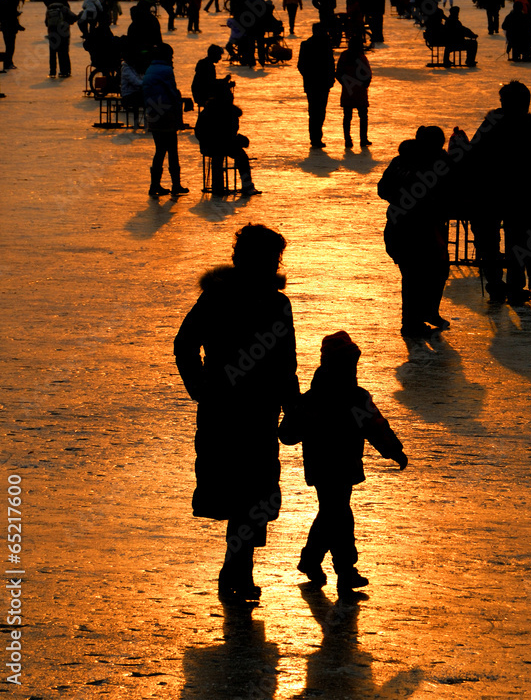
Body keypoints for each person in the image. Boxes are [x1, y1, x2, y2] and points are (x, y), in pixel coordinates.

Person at [174, 224, 299, 602]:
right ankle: (237, 569)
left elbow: (284, 362)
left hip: (241, 409)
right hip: (239, 409)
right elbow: (185, 344)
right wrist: (201, 388)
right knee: (246, 492)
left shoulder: (234, 298)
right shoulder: (243, 299)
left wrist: (202, 387)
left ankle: (238, 568)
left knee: (248, 493)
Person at [278, 331, 406, 599]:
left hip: (331, 467)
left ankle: (313, 560)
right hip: (332, 467)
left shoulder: (325, 398)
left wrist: (393, 449)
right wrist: (393, 449)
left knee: (331, 513)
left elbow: (374, 426)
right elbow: (289, 433)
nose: (351, 368)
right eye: (348, 363)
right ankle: (345, 570)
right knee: (338, 515)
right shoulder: (343, 398)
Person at [467, 81, 531, 303]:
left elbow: (471, 156)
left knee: (492, 241)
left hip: (492, 194)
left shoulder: (491, 126)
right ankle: (511, 285)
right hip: (516, 195)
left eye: (503, 100)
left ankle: (499, 283)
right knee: (515, 241)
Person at [378, 126, 455, 336]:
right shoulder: (435, 163)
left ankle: (424, 315)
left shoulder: (401, 161)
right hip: (419, 230)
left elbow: (383, 188)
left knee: (426, 274)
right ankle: (412, 324)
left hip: (402, 226)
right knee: (418, 276)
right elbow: (451, 191)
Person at [195, 78, 261, 196]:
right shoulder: (227, 111)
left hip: (214, 145)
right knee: (238, 157)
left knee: (225, 156)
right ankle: (246, 185)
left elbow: (200, 132)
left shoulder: (209, 110)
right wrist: (237, 140)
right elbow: (228, 134)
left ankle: (218, 187)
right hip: (218, 145)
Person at [142, 43, 189, 197]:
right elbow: (173, 94)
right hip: (166, 114)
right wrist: (179, 117)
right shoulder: (166, 70)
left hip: (153, 114)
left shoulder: (149, 69)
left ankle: (154, 186)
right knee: (172, 150)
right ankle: (176, 185)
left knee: (160, 150)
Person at [297, 23, 336, 148]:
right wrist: (330, 78)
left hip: (313, 84)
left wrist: (308, 76)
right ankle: (316, 137)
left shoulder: (307, 44)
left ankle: (315, 137)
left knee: (314, 111)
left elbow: (301, 65)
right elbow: (331, 63)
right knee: (319, 111)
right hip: (322, 83)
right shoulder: (326, 45)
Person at [335, 35, 372, 148]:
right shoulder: (361, 57)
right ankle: (363, 139)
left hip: (348, 91)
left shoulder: (344, 56)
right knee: (363, 116)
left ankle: (348, 140)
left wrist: (346, 84)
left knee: (347, 116)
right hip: (360, 92)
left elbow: (339, 73)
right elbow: (368, 75)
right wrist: (364, 86)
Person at [45, 0, 79, 78]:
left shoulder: (49, 9)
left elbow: (46, 23)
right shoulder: (65, 9)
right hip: (63, 34)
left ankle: (52, 71)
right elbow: (74, 18)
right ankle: (65, 71)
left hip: (52, 34)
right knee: (63, 53)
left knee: (52, 53)